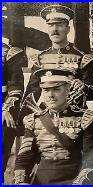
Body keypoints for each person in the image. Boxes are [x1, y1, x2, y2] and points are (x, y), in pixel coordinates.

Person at [14, 68, 93, 184]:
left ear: (67, 90)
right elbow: (24, 159)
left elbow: (91, 159)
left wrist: (80, 182)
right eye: (46, 90)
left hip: (74, 179)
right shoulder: (33, 120)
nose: (50, 95)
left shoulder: (84, 119)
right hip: (41, 180)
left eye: (56, 89)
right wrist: (21, 182)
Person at [23, 4, 93, 105]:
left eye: (60, 25)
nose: (54, 30)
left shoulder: (82, 59)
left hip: (75, 115)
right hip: (48, 115)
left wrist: (83, 86)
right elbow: (30, 94)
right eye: (51, 25)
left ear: (68, 29)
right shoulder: (40, 59)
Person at [2, 43, 26, 182]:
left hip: (3, 108)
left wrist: (5, 109)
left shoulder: (9, 53)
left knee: (5, 127)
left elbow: (15, 87)